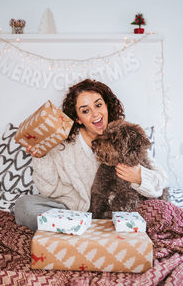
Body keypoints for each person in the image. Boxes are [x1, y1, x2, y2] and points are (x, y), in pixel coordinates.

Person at [14, 79, 168, 231]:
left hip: (116, 209)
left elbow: (161, 182)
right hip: (73, 212)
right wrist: (41, 157)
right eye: (85, 111)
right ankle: (88, 229)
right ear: (78, 119)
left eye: (98, 105)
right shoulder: (62, 145)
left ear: (107, 106)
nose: (95, 114)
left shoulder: (123, 135)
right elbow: (49, 190)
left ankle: (78, 231)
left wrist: (139, 177)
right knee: (24, 206)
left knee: (159, 210)